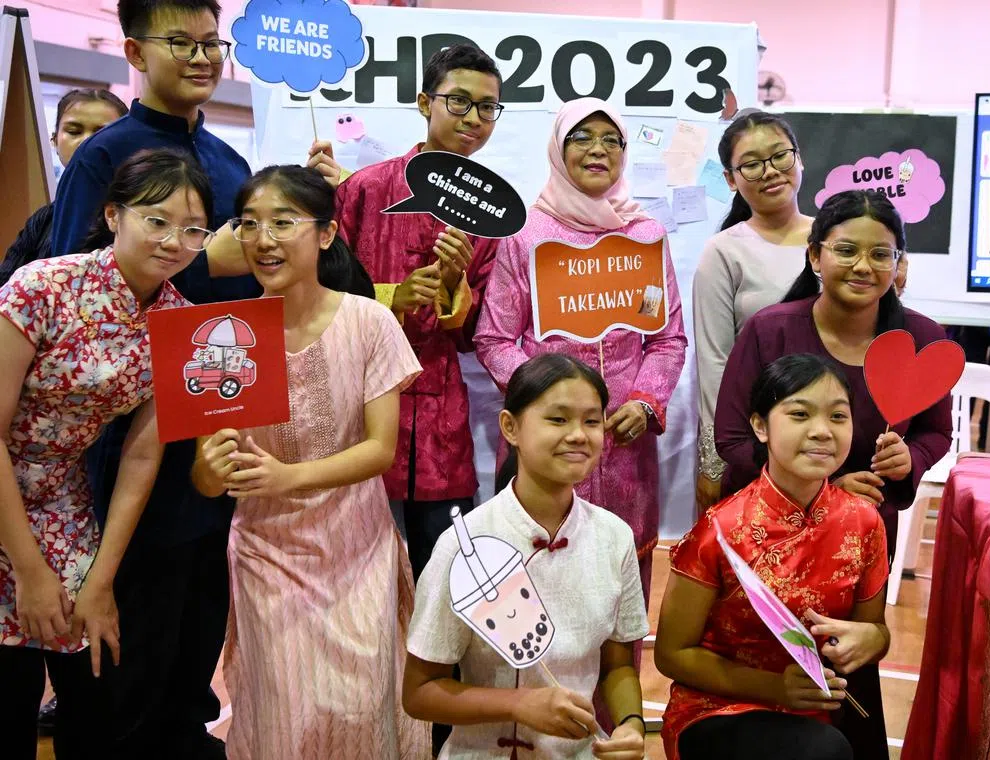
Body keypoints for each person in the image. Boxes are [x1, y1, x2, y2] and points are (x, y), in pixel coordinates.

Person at [49, 1, 339, 755]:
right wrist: (204, 258)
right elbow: (74, 287)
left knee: (194, 636)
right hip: (121, 442)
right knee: (124, 659)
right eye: (183, 42)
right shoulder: (103, 156)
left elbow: (258, 294)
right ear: (136, 50)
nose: (204, 57)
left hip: (217, 423)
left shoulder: (231, 164)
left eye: (214, 43)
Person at [192, 166, 428, 759]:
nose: (264, 239)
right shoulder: (225, 332)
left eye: (283, 222)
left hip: (358, 546)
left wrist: (287, 476)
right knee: (285, 714)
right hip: (266, 551)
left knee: (361, 705)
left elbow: (379, 449)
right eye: (249, 224)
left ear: (325, 235)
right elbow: (204, 475)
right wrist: (213, 469)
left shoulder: (368, 319)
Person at [0, 148, 215, 760]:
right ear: (114, 215)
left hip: (64, 498)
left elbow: (143, 457)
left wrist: (100, 579)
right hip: (2, 485)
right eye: (157, 220)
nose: (175, 241)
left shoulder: (181, 321)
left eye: (194, 229)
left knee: (93, 674)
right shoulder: (42, 286)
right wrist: (30, 570)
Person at [475, 97, 687, 621]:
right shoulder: (527, 236)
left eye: (610, 139)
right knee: (537, 584)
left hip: (623, 442)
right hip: (546, 443)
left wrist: (645, 402)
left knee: (619, 591)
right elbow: (494, 338)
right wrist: (545, 398)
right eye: (582, 138)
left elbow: (667, 339)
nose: (598, 150)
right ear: (558, 149)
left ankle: (618, 706)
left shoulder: (645, 237)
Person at [403, 353, 649, 760]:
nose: (577, 435)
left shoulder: (614, 537)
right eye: (558, 419)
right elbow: (419, 693)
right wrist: (519, 705)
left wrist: (631, 724)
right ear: (510, 428)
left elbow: (618, 664)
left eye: (591, 421)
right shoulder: (466, 545)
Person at [656, 354, 891, 760]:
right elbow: (671, 654)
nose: (822, 432)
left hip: (821, 704)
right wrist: (775, 688)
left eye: (838, 417)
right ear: (760, 426)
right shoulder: (719, 529)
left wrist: (873, 640)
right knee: (823, 753)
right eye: (800, 414)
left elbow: (874, 632)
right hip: (720, 706)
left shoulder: (864, 522)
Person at [334, 43, 503, 581]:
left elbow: (479, 335)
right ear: (424, 101)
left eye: (487, 107)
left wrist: (455, 291)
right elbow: (323, 298)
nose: (473, 118)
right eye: (459, 102)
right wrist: (391, 299)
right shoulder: (365, 189)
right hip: (359, 408)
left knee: (446, 572)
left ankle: (436, 670)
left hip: (441, 418)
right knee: (361, 573)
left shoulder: (489, 212)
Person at [714, 189, 952, 559]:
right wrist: (822, 491)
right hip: (767, 524)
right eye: (845, 250)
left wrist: (911, 458)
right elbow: (732, 439)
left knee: (854, 620)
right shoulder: (769, 331)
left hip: (865, 529)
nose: (863, 266)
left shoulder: (923, 339)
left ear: (898, 263)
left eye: (880, 254)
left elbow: (934, 433)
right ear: (815, 255)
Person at [693, 111, 812, 509]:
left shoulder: (835, 240)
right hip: (754, 443)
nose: (770, 172)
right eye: (751, 164)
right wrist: (714, 461)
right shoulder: (724, 251)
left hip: (827, 432)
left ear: (799, 158)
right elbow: (714, 362)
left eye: (780, 156)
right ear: (730, 178)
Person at [0, 89, 128, 286]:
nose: (87, 142)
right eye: (74, 131)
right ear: (54, 140)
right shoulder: (44, 219)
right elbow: (5, 286)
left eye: (102, 133)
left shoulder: (137, 217)